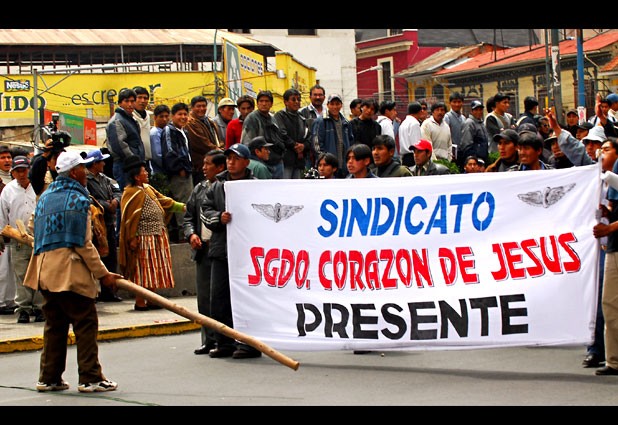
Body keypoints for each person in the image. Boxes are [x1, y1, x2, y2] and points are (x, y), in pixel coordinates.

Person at [23, 150, 121, 393]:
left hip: (45, 271)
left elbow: (32, 225)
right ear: (74, 172)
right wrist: (104, 274)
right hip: (70, 272)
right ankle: (90, 377)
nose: (86, 173)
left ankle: (49, 378)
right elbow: (83, 244)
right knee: (85, 323)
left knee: (55, 326)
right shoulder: (78, 200)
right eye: (82, 168)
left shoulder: (45, 197)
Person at [201, 143, 261, 359]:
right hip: (221, 250)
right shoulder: (217, 186)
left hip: (248, 254)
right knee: (219, 299)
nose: (231, 162)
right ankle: (224, 342)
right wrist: (219, 217)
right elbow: (205, 211)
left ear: (246, 162)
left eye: (236, 158)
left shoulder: (256, 186)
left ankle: (249, 344)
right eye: (229, 158)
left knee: (247, 299)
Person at [118, 156, 186, 311]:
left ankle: (152, 299)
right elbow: (128, 219)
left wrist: (183, 207)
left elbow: (164, 201)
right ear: (137, 176)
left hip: (157, 235)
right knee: (142, 270)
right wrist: (132, 237)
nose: (147, 173)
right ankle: (140, 301)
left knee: (154, 269)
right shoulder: (130, 193)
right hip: (143, 237)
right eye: (144, 171)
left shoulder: (147, 188)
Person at [183, 149, 226, 356]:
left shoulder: (226, 188)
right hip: (203, 249)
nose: (204, 168)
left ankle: (223, 339)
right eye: (204, 163)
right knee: (204, 298)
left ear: (220, 167)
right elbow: (188, 217)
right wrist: (191, 234)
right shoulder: (199, 189)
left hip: (221, 249)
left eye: (208, 164)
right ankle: (208, 340)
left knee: (219, 298)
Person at [0, 155, 41, 324]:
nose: (22, 174)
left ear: (29, 170)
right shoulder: (8, 190)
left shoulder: (38, 187)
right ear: (13, 173)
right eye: (18, 171)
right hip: (18, 238)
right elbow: (2, 215)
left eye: (24, 170)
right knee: (21, 275)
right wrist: (2, 235)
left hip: (38, 237)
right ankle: (23, 308)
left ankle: (39, 307)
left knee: (39, 273)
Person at [85, 149, 123, 303]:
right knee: (95, 257)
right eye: (101, 161)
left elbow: (118, 192)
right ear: (95, 164)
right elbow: (90, 199)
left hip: (109, 223)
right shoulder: (86, 180)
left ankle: (109, 292)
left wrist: (115, 201)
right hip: (96, 225)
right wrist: (106, 205)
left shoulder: (106, 179)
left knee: (111, 258)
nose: (104, 164)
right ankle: (94, 292)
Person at [160, 102, 193, 243]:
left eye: (185, 114)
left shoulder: (183, 131)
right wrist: (179, 169)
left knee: (188, 201)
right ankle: (183, 234)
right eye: (180, 114)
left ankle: (186, 232)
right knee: (181, 203)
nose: (183, 117)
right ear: (172, 116)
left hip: (187, 171)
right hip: (178, 174)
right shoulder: (169, 130)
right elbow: (169, 152)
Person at [105, 88, 145, 192]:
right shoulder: (116, 121)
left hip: (133, 165)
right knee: (127, 195)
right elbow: (120, 146)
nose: (130, 104)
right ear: (120, 103)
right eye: (126, 101)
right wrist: (135, 162)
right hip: (124, 166)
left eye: (132, 101)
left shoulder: (131, 119)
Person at [241, 90, 286, 179]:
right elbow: (247, 144)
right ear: (257, 103)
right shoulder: (252, 118)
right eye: (261, 101)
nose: (264, 104)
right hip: (260, 162)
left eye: (267, 101)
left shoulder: (272, 118)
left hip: (276, 161)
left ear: (271, 104)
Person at [311, 93, 354, 178]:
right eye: (332, 104)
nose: (335, 107)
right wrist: (324, 162)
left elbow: (351, 142)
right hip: (328, 166)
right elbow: (317, 145)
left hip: (344, 165)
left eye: (337, 104)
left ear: (341, 105)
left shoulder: (346, 123)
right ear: (327, 105)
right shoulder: (321, 121)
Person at [273, 88, 311, 179]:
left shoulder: (302, 118)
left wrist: (303, 146)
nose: (297, 102)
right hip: (285, 159)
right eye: (293, 99)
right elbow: (282, 134)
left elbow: (308, 136)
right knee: (285, 185)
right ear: (285, 102)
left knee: (297, 185)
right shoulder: (280, 116)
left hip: (299, 160)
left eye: (298, 99)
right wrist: (295, 146)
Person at [184, 95, 222, 185]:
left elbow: (217, 138)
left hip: (213, 163)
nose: (201, 109)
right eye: (198, 106)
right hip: (200, 166)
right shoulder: (190, 123)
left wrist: (220, 148)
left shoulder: (208, 120)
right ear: (192, 107)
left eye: (204, 106)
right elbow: (200, 142)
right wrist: (217, 150)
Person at [0, 145, 16, 315]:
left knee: (11, 270)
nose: (7, 160)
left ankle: (10, 301)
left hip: (14, 232)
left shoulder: (14, 179)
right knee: (2, 269)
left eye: (8, 157)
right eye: (3, 157)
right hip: (1, 230)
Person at [459, 100, 489, 169]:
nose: (479, 112)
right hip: (474, 162)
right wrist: (474, 161)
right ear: (472, 111)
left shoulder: (481, 123)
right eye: (476, 110)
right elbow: (466, 145)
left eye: (480, 110)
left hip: (482, 160)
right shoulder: (469, 123)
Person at [148, 103, 171, 195]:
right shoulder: (155, 133)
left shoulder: (166, 131)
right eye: (161, 116)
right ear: (155, 118)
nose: (164, 119)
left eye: (166, 116)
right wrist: (170, 167)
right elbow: (157, 156)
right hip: (160, 173)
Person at [398, 101, 426, 167]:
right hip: (413, 157)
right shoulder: (414, 123)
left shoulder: (403, 123)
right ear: (420, 111)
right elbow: (416, 144)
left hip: (404, 157)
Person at [133, 86, 153, 173]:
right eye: (139, 97)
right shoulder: (130, 116)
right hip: (135, 162)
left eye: (145, 98)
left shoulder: (148, 116)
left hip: (147, 161)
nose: (142, 101)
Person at [443, 91, 466, 158]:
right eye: (454, 102)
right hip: (452, 152)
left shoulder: (463, 118)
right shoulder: (447, 117)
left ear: (462, 103)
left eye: (459, 102)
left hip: (462, 151)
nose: (457, 104)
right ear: (450, 103)